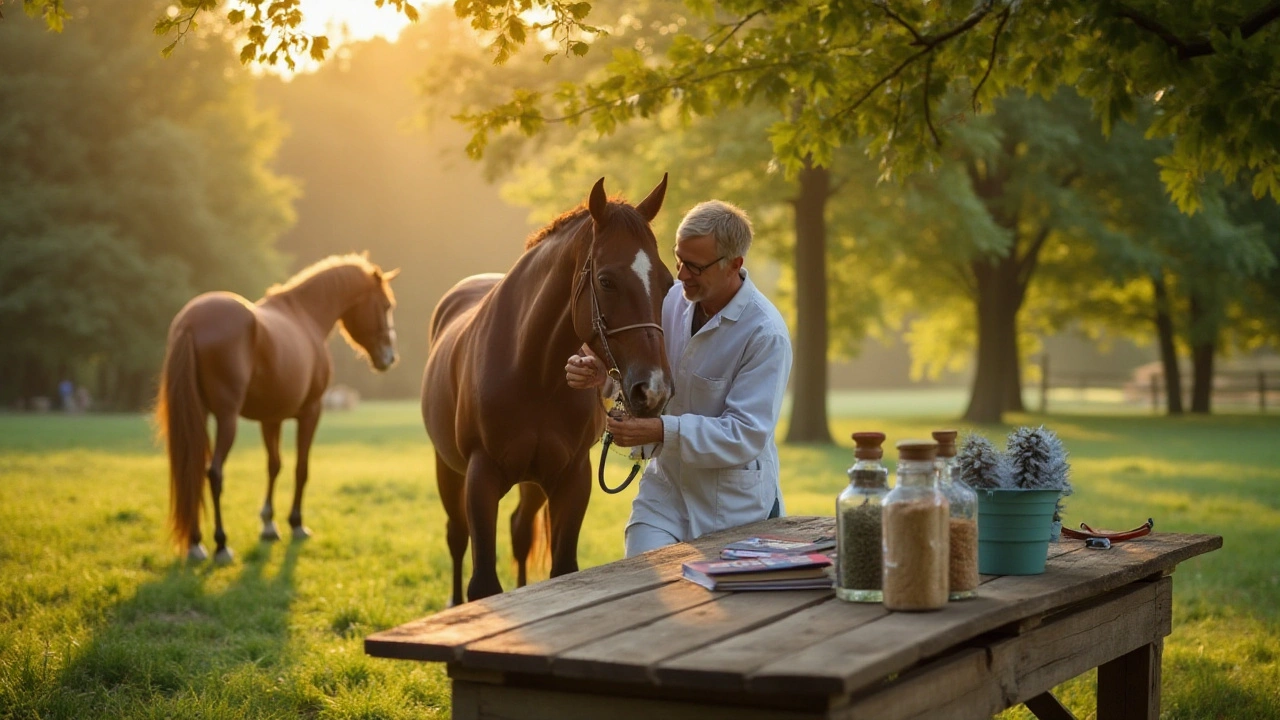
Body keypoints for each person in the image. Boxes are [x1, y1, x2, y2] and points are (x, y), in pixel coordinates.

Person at [566, 200, 793, 557]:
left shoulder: (765, 333)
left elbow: (745, 434)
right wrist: (602, 373)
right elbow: (644, 374)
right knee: (642, 588)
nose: (681, 274)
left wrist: (660, 431)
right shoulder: (668, 299)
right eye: (678, 259)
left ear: (735, 265)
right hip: (663, 498)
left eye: (695, 266)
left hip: (737, 511)